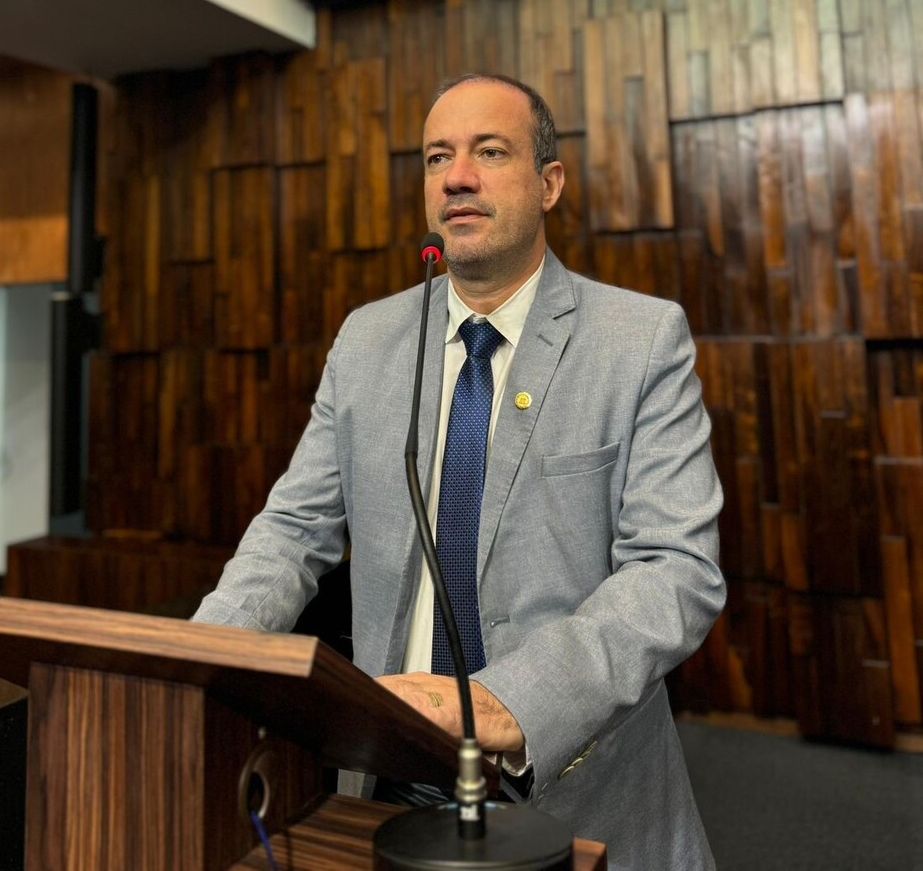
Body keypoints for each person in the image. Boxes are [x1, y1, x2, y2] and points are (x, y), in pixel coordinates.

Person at [193, 72, 725, 871]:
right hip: (384, 776)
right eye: (438, 155)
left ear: (550, 183)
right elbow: (293, 530)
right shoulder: (367, 341)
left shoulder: (640, 341)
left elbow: (674, 570)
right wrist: (202, 654)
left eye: (489, 151)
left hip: (568, 780)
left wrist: (510, 700)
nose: (457, 175)